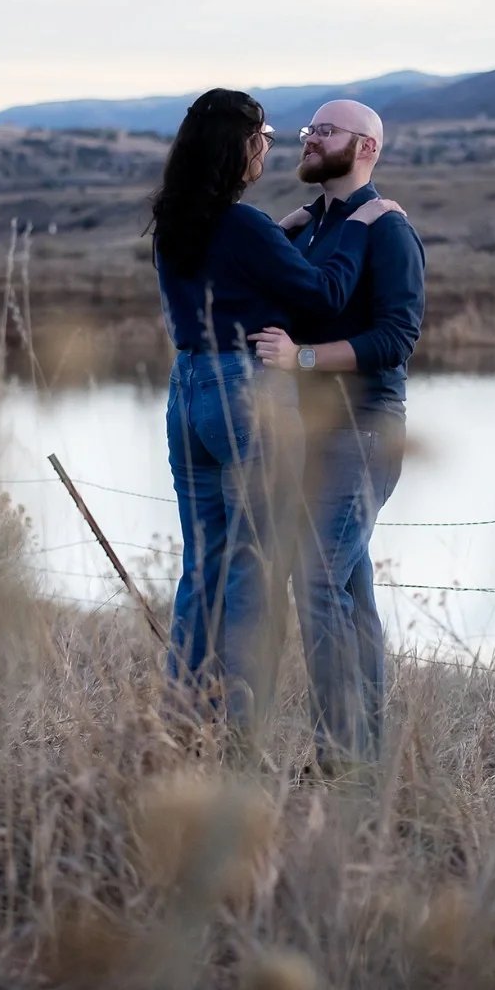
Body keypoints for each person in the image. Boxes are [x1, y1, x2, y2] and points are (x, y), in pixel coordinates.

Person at [149, 88, 401, 742]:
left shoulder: (175, 220)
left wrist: (283, 231)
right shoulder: (246, 227)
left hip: (186, 391)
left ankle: (182, 722)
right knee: (252, 569)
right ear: (236, 148)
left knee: (202, 561)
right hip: (241, 392)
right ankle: (239, 735)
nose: (271, 145)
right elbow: (326, 291)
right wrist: (357, 222)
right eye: (259, 136)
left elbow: (228, 275)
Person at [251, 99, 425, 776]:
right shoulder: (310, 228)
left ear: (367, 147)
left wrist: (301, 359)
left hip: (366, 426)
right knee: (347, 593)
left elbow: (395, 339)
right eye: (308, 131)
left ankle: (337, 759)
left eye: (326, 130)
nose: (311, 138)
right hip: (311, 429)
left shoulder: (388, 232)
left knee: (317, 581)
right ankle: (365, 758)